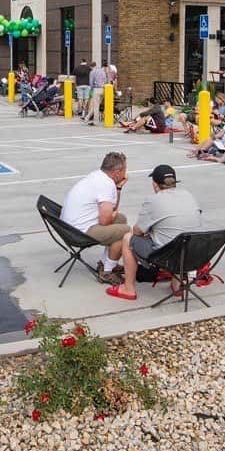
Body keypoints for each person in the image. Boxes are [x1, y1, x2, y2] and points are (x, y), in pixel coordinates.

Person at [105, 164, 202, 301]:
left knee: (128, 238)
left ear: (155, 185)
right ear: (174, 182)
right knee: (179, 236)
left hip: (168, 257)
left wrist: (149, 232)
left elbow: (137, 231)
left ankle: (128, 289)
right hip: (193, 254)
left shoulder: (153, 200)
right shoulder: (188, 195)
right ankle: (177, 285)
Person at [60, 151, 131, 284]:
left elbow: (113, 209)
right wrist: (113, 214)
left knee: (120, 219)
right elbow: (105, 221)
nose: (125, 173)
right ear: (117, 172)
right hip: (79, 233)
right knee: (126, 232)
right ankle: (107, 272)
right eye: (125, 169)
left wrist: (119, 188)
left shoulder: (97, 176)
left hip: (68, 227)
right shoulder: (106, 184)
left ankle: (106, 263)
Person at [82, 61, 107, 126]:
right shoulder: (102, 71)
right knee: (96, 104)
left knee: (96, 106)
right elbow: (105, 80)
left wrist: (92, 89)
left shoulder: (92, 72)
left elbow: (91, 82)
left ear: (91, 67)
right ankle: (87, 118)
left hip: (96, 89)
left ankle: (96, 121)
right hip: (103, 89)